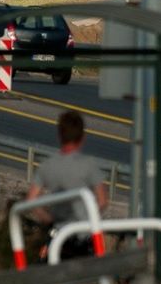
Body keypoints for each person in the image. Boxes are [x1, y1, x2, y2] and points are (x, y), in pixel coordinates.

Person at [25, 110, 108, 259]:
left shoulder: (47, 165)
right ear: (83, 137)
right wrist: (88, 219)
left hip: (59, 234)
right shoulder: (89, 165)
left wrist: (48, 219)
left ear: (59, 135)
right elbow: (102, 201)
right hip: (84, 235)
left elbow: (31, 200)